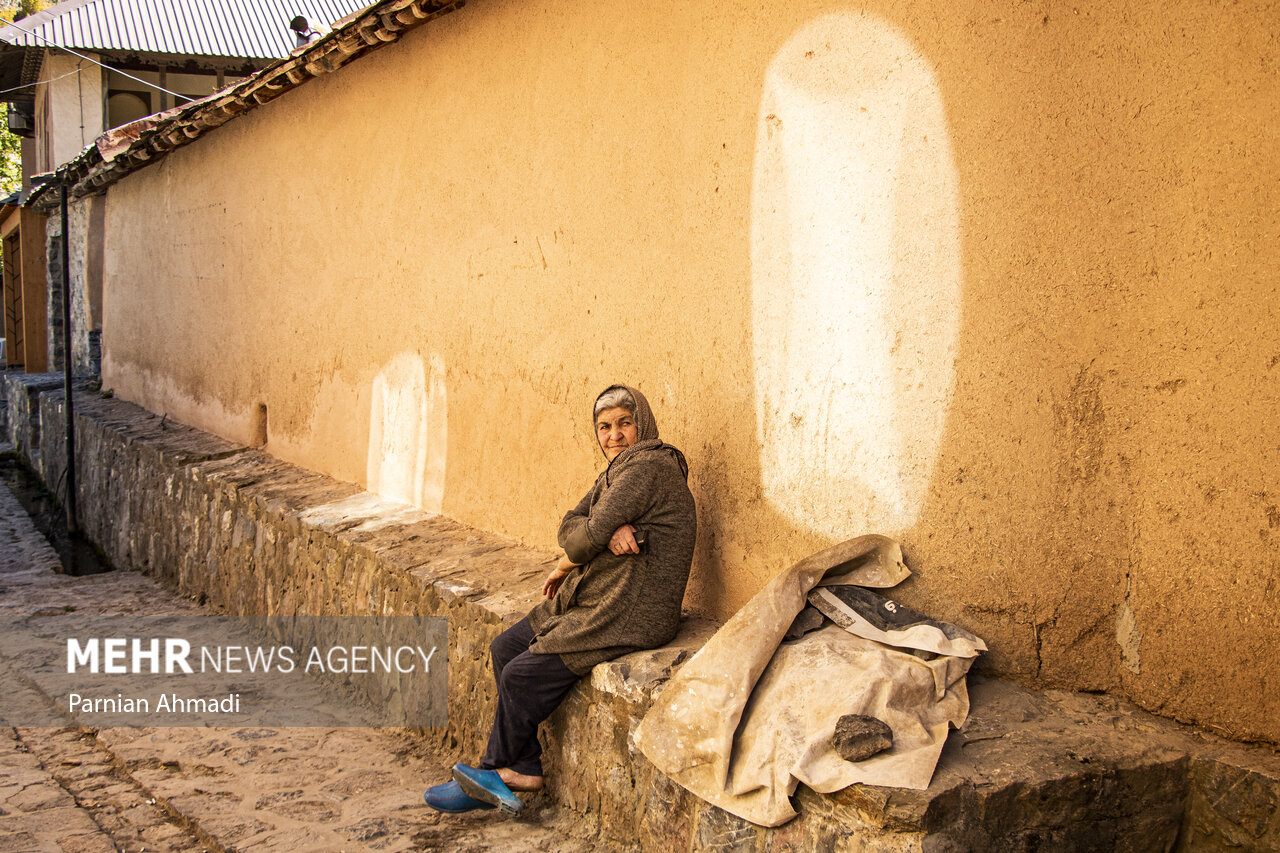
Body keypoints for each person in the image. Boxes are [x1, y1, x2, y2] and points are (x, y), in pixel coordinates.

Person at [424, 384, 697, 814]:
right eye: (604, 427)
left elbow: (586, 534)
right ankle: (526, 765)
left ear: (641, 423)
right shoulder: (617, 473)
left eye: (625, 423)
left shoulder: (649, 468)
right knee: (504, 647)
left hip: (628, 609)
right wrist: (602, 532)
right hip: (598, 594)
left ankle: (493, 772)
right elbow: (571, 524)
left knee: (519, 676)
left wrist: (579, 549)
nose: (614, 435)